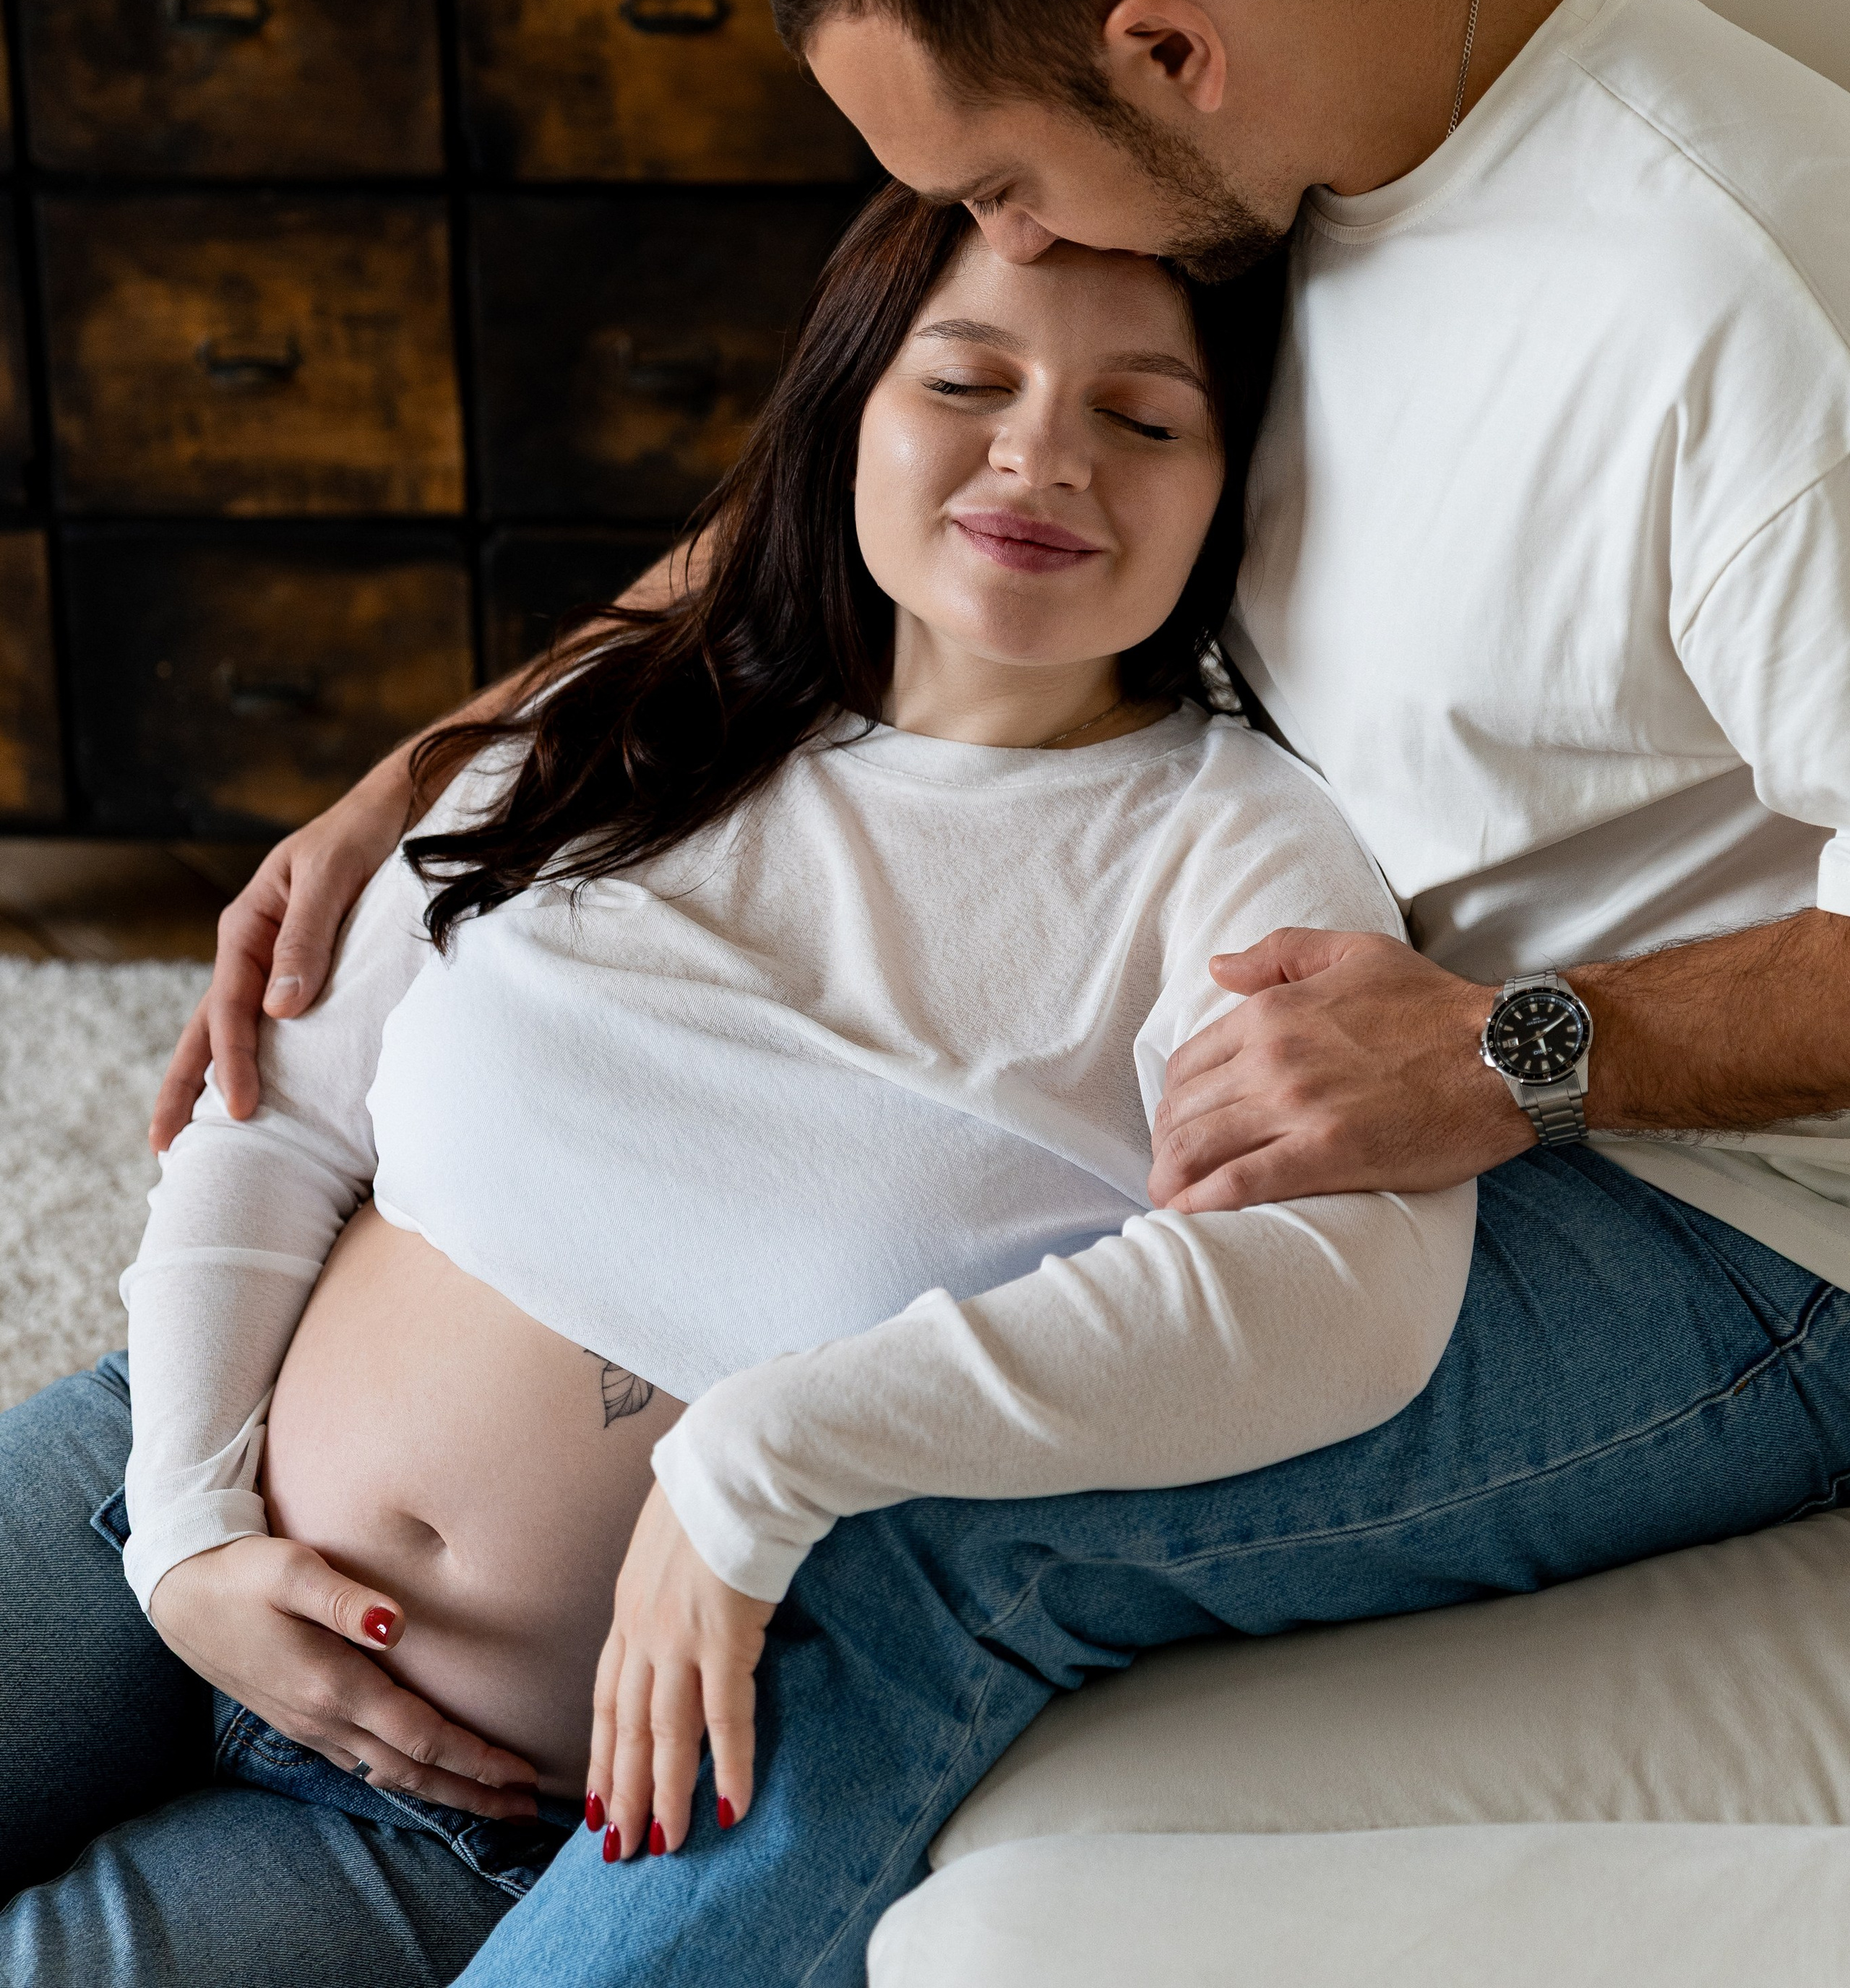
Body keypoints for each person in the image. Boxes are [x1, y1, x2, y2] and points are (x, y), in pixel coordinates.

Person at [141, 0, 1850, 1988]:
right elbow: (869, 469)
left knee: (912, 1521)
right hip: (1385, 1034)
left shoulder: (1736, 290)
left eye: (991, 180)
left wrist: (1511, 1051)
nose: (992, 233)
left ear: (1163, 49)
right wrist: (431, 765)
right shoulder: (1301, 158)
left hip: (1729, 1224)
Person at [1, 195, 1479, 1981]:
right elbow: (283, 1106)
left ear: (1229, 485)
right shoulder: (652, 707)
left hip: (471, 1803)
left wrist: (782, 1447)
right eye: (967, 379)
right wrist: (183, 1531)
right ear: (850, 405)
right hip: (155, 1486)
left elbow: (1339, 1300)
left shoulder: (1231, 855)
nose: (1041, 457)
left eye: (1142, 418)